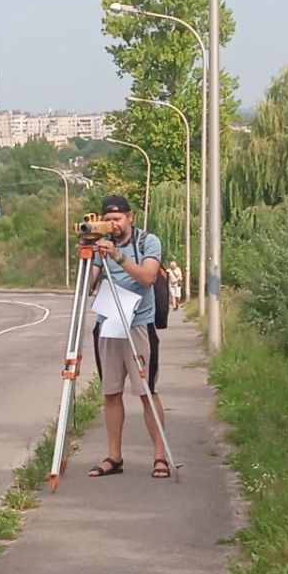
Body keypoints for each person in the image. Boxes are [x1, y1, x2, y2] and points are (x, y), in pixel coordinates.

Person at [88, 194, 171, 480]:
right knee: (111, 392)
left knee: (146, 391)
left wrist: (117, 256)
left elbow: (148, 277)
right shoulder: (101, 245)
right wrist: (88, 256)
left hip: (139, 325)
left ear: (130, 217)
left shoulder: (147, 242)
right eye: (108, 219)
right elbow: (88, 287)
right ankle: (114, 456)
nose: (113, 224)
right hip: (109, 324)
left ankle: (160, 456)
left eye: (117, 218)